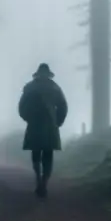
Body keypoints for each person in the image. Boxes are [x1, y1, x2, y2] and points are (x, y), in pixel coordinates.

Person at [18, 63, 68, 198]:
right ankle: (44, 183)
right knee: (48, 156)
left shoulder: (30, 87)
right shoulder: (55, 87)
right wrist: (58, 121)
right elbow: (63, 106)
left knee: (36, 155)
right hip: (50, 126)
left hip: (34, 125)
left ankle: (39, 180)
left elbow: (21, 107)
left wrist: (28, 118)